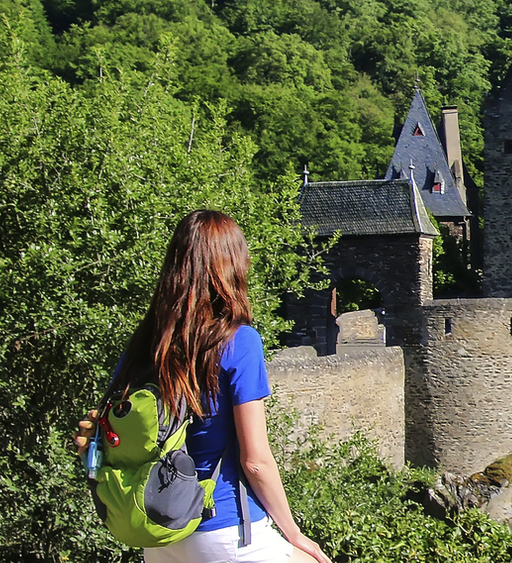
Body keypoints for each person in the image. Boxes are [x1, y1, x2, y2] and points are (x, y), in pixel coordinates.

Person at [74, 210, 331, 563]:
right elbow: (256, 461)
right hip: (225, 530)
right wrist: (294, 533)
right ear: (231, 266)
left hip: (163, 532)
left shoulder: (147, 344)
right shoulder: (239, 342)